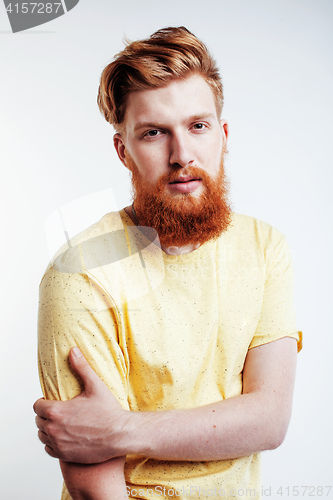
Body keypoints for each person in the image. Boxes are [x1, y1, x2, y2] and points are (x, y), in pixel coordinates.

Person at [34, 26, 302, 500]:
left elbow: (269, 419)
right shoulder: (79, 274)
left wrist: (120, 430)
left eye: (197, 126)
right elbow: (95, 486)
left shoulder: (265, 248)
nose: (182, 155)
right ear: (124, 151)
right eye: (154, 133)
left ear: (222, 136)